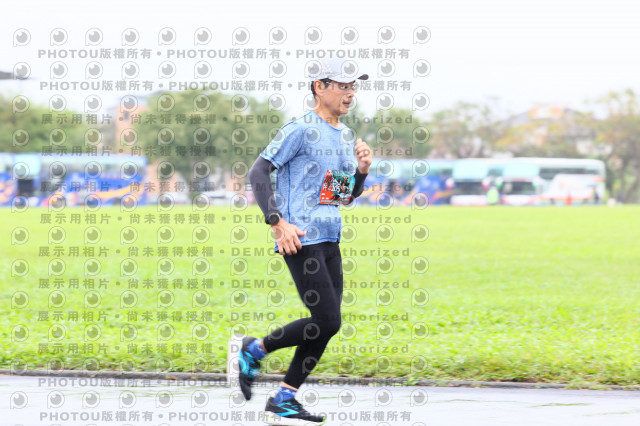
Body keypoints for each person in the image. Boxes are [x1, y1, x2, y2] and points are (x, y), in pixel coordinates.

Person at [232, 56, 372, 425]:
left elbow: (341, 195)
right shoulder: (300, 129)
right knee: (326, 319)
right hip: (300, 237)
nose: (350, 93)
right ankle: (253, 349)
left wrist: (361, 171)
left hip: (330, 236)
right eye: (342, 86)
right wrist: (277, 223)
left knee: (328, 323)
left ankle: (285, 396)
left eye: (353, 86)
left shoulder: (344, 135)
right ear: (319, 87)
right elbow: (258, 171)